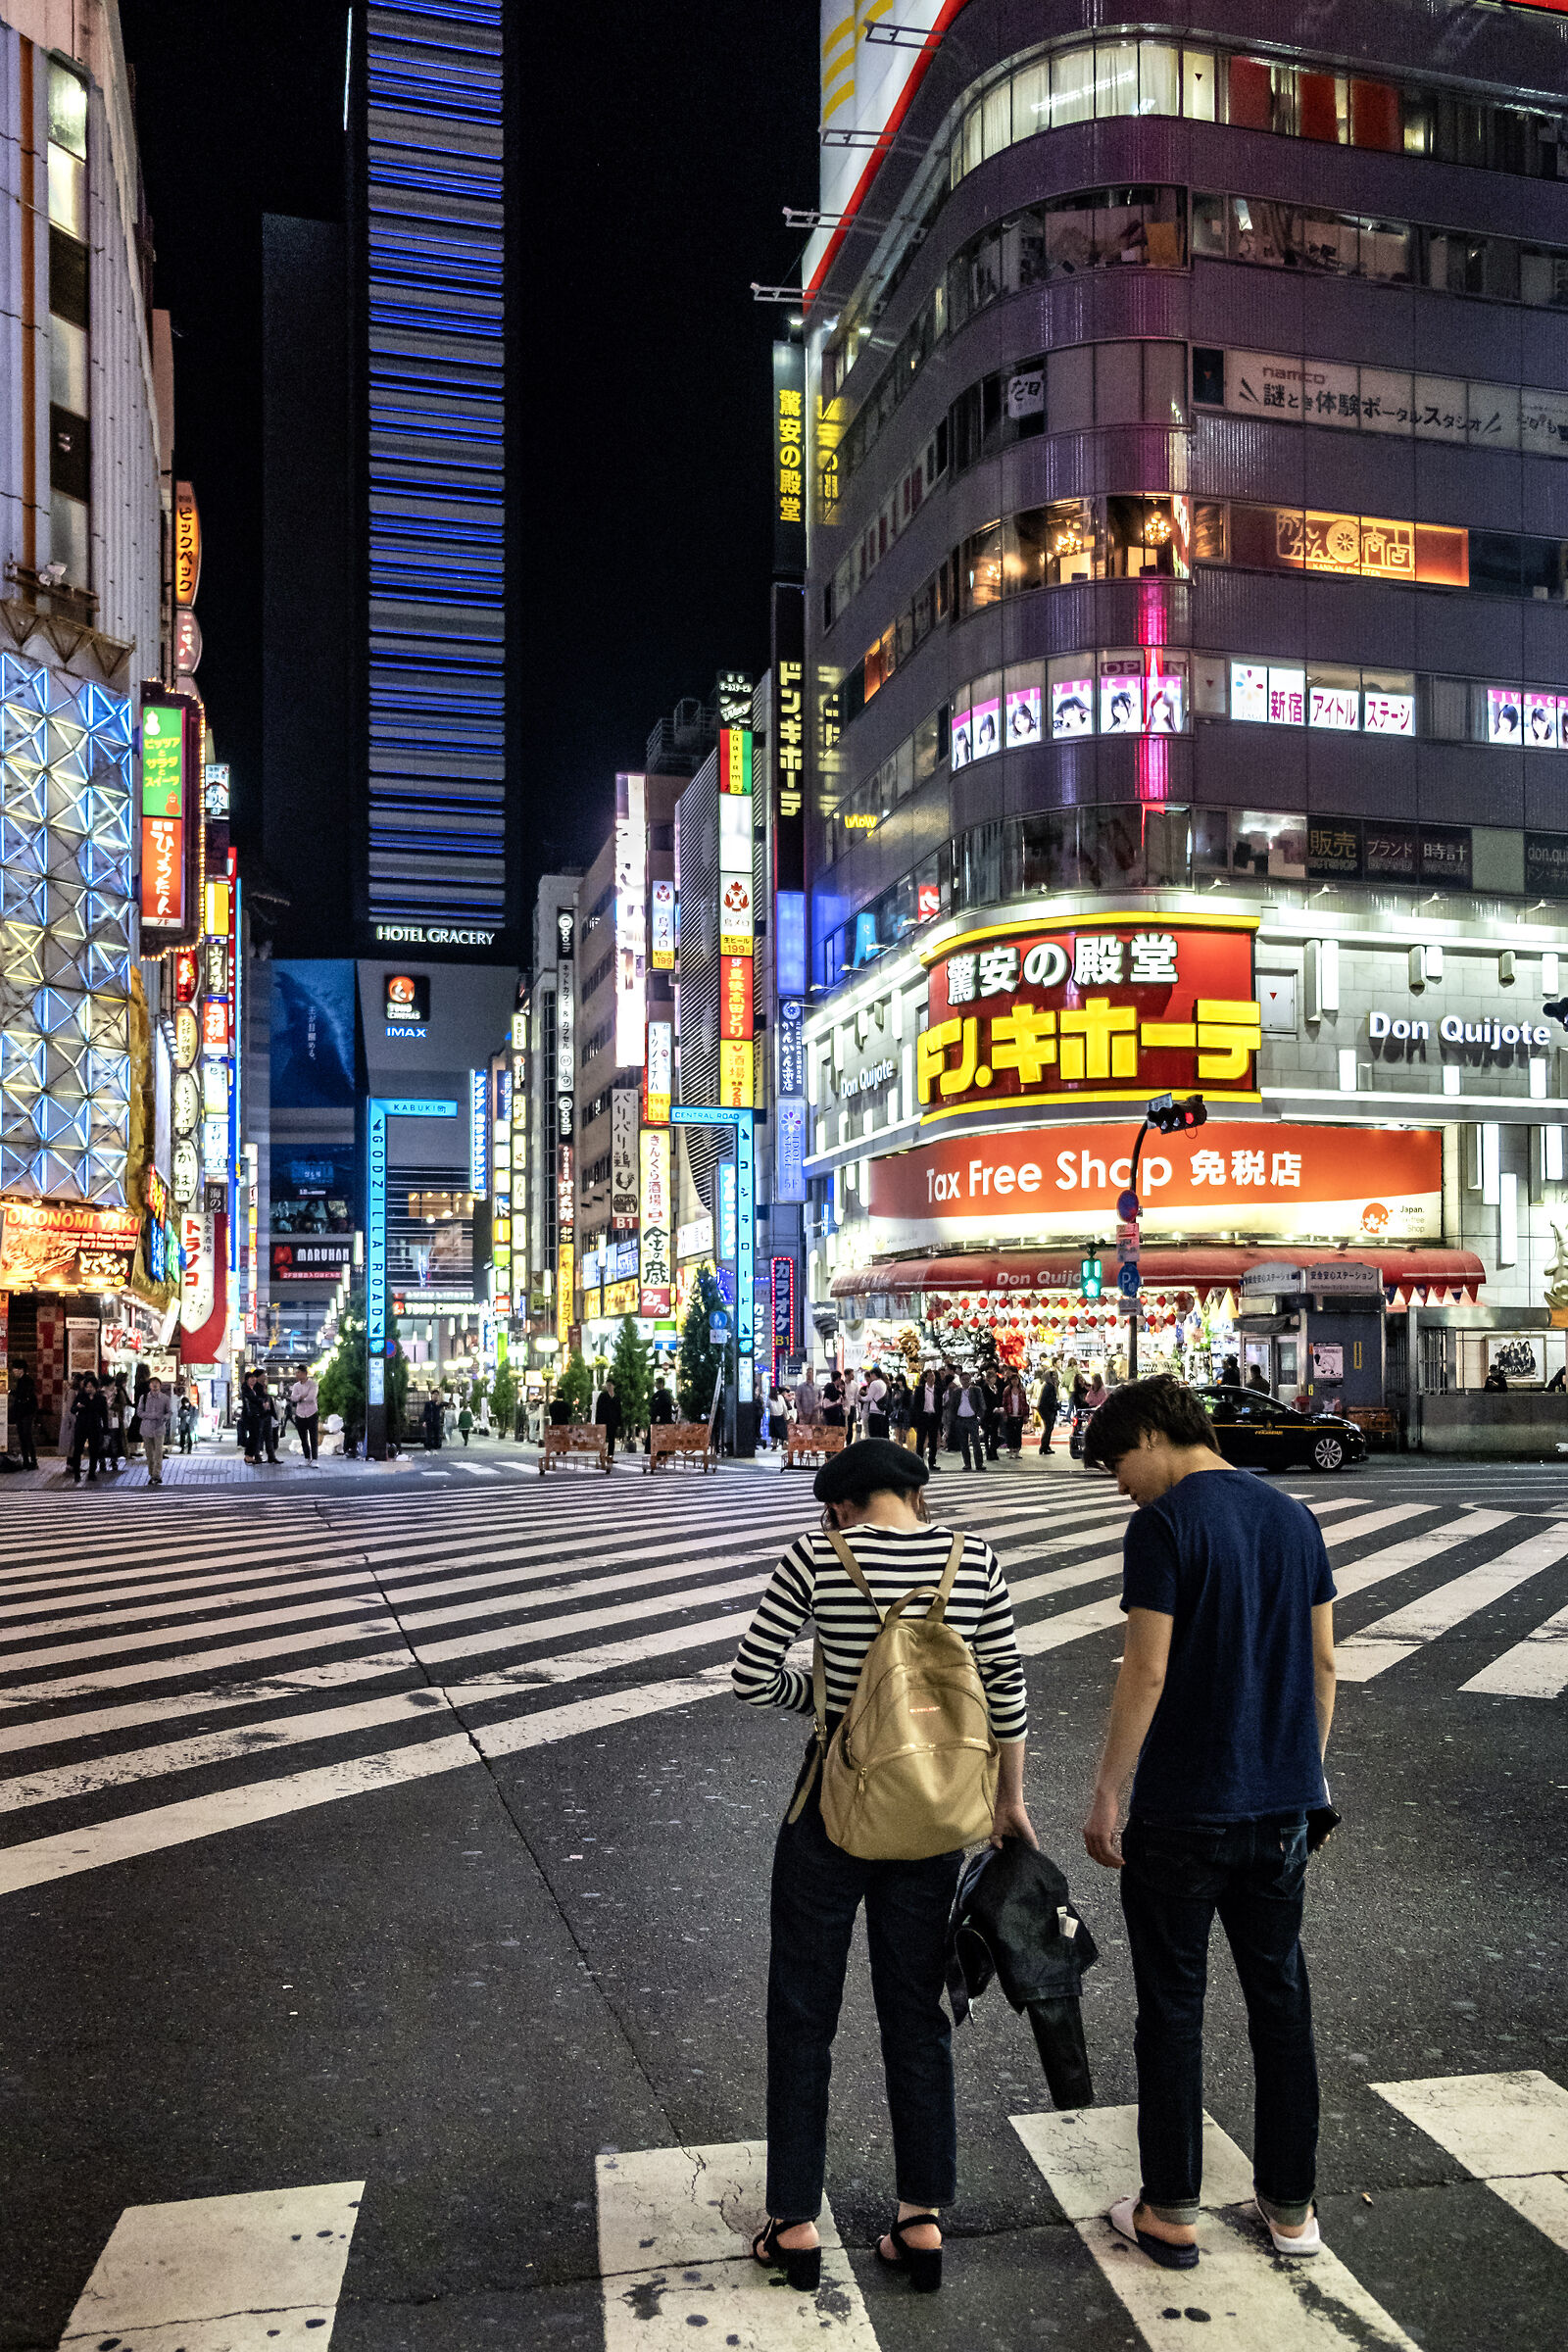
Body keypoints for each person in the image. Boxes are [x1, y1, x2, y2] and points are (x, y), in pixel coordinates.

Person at [731, 1438, 1034, 2297]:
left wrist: (832, 1708)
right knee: (917, 2013)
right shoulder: (975, 1561)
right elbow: (1006, 1691)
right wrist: (1008, 1803)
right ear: (914, 1494)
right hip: (934, 1814)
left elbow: (751, 1677)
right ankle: (921, 2218)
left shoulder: (817, 1557)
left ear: (840, 1506)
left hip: (830, 1812)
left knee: (803, 2012)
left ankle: (794, 2220)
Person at [1081, 1376, 1337, 2270]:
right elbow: (1325, 1665)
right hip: (1281, 1810)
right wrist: (1300, 1774)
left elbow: (1145, 1670)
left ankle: (1171, 2211)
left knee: (1173, 2008)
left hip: (1185, 1810)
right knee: (1281, 2002)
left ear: (1155, 1435)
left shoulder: (1165, 1525)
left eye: (1118, 1461)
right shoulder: (1294, 1519)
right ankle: (1293, 2211)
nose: (1120, 1483)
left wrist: (1108, 1792)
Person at [69, 1374, 109, 1483]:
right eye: (87, 1386)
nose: (88, 1389)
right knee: (78, 1450)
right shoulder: (81, 1396)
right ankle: (77, 1473)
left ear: (96, 1387)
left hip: (95, 1427)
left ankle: (92, 1473)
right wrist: (77, 1407)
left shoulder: (101, 1399)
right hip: (81, 1426)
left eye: (91, 1386)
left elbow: (104, 1414)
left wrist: (106, 1427)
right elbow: (72, 1410)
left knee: (94, 1451)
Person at [139, 1376, 173, 1486]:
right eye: (152, 1383)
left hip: (159, 1429)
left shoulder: (165, 1398)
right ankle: (151, 1474)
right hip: (146, 1429)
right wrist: (151, 1416)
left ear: (160, 1385)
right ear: (149, 1385)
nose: (154, 1385)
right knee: (149, 1454)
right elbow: (139, 1412)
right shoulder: (144, 1397)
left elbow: (170, 1412)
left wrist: (164, 1417)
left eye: (157, 1383)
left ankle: (156, 1475)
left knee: (158, 1453)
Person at [955, 1372, 986, 1472]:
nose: (966, 1381)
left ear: (970, 1380)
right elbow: (952, 1406)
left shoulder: (976, 1390)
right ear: (960, 1380)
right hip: (960, 1419)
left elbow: (982, 1404)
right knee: (963, 1444)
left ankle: (979, 1464)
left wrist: (979, 1417)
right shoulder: (957, 1392)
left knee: (976, 1442)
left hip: (972, 1419)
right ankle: (967, 1464)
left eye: (967, 1379)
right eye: (963, 1379)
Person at [913, 1364, 944, 1468]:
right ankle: (919, 1462)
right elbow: (916, 1405)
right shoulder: (920, 1389)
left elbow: (939, 1405)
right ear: (925, 1378)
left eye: (933, 1376)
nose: (932, 1378)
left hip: (933, 1417)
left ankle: (932, 1462)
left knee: (933, 1441)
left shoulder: (938, 1390)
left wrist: (939, 1418)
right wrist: (916, 1419)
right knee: (920, 1440)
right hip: (923, 1417)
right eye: (929, 1376)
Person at [11, 1361, 38, 1468]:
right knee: (22, 1436)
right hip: (21, 1412)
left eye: (15, 1369)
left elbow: (23, 1395)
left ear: (21, 1370)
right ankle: (26, 1461)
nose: (13, 1371)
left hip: (27, 1412)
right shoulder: (21, 1380)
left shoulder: (27, 1380)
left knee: (27, 1436)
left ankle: (32, 1461)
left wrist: (11, 1392)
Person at [290, 1371, 320, 1462]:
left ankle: (315, 1459)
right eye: (296, 1373)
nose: (297, 1375)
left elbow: (311, 1398)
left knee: (313, 1437)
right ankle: (307, 1458)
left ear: (304, 1373)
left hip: (312, 1413)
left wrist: (300, 1398)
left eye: (298, 1373)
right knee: (303, 1438)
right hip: (300, 1413)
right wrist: (301, 1397)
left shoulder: (313, 1384)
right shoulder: (296, 1385)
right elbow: (293, 1398)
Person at [106, 1371, 130, 1470]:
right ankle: (113, 1460)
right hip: (114, 1418)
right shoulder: (119, 1391)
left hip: (112, 1418)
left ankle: (110, 1460)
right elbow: (123, 1404)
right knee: (114, 1439)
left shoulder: (115, 1391)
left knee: (111, 1439)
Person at [1001, 1373, 1028, 1457]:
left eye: (1016, 1379)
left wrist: (1026, 1415)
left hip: (1019, 1415)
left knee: (1018, 1434)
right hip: (1010, 1415)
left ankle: (1017, 1451)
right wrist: (1005, 1414)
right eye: (1013, 1379)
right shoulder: (1007, 1390)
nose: (1014, 1381)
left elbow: (1025, 1404)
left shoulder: (1022, 1391)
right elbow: (1004, 1403)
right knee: (1010, 1433)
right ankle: (1011, 1450)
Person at [595, 1377, 621, 1456]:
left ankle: (610, 1456)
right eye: (607, 1385)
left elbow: (619, 1411)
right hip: (604, 1421)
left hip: (613, 1422)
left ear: (613, 1386)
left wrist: (619, 1423)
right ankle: (602, 1455)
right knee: (602, 1439)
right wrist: (598, 1422)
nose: (608, 1387)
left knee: (612, 1439)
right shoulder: (602, 1396)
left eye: (610, 1385)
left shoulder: (616, 1397)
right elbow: (599, 1410)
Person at [1037, 1368, 1059, 1457]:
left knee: (1049, 1428)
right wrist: (1055, 1405)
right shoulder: (1049, 1386)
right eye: (1052, 1375)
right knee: (1048, 1428)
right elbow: (1049, 1400)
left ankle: (1045, 1446)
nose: (1054, 1377)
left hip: (1046, 1409)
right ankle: (1044, 1446)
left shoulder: (1049, 1385)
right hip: (1046, 1409)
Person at [863, 1367, 889, 1439]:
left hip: (874, 1412)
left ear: (873, 1374)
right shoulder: (883, 1383)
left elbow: (869, 1398)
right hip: (881, 1412)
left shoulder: (874, 1383)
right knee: (879, 1435)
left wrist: (860, 1398)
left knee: (873, 1435)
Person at [177, 1389, 198, 1454]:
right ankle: (182, 1449)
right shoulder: (182, 1409)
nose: (185, 1404)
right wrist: (185, 1413)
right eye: (184, 1403)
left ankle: (189, 1449)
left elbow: (195, 1415)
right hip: (183, 1425)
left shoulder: (193, 1408)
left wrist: (194, 1423)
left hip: (190, 1424)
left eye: (186, 1402)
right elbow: (179, 1415)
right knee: (182, 1437)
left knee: (189, 1438)